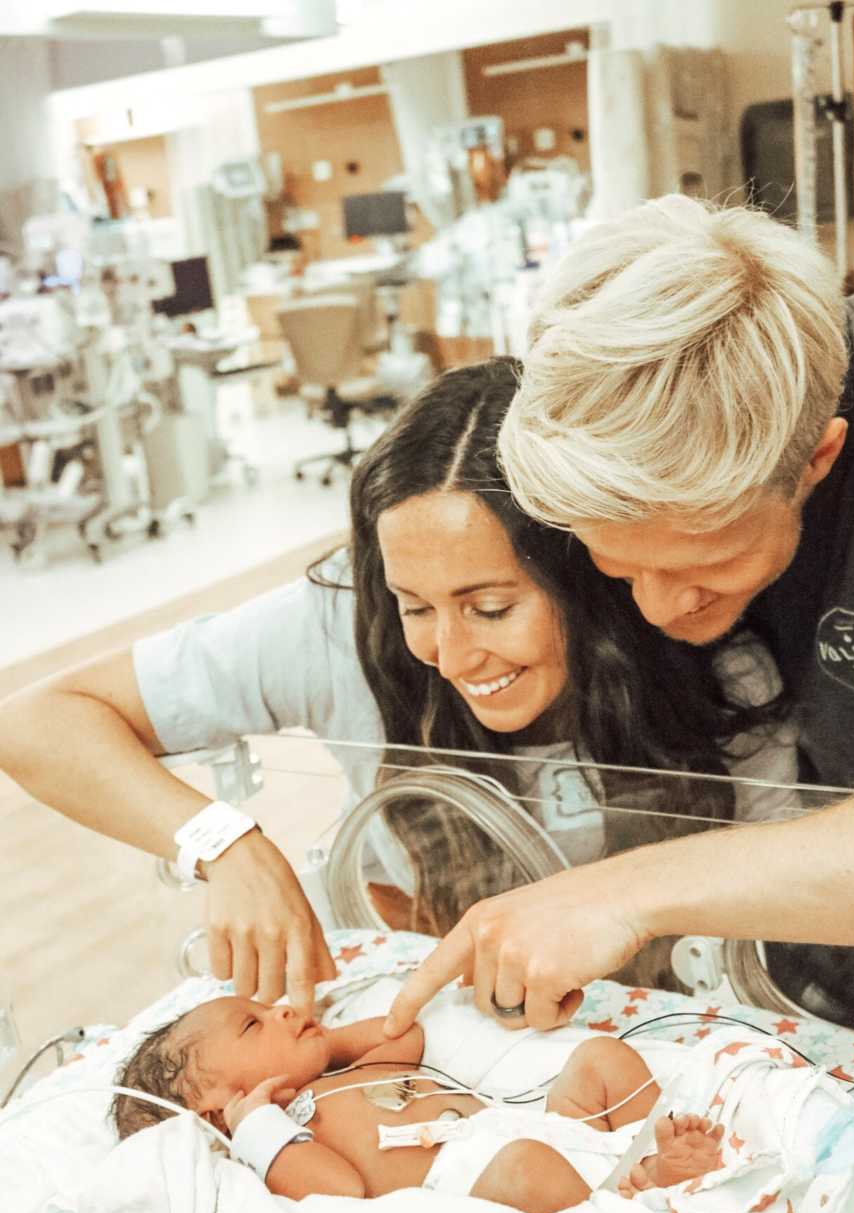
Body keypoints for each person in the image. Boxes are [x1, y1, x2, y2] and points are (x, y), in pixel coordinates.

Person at [0, 359, 793, 1017]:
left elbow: (774, 887)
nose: (451, 654)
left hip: (668, 1023)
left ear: (589, 575)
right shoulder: (338, 622)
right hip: (437, 1014)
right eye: (416, 607)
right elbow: (38, 723)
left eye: (490, 608)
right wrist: (223, 845)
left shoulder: (707, 657)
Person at [383, 195, 854, 1042]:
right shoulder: (633, 418)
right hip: (824, 986)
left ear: (820, 457)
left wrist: (620, 892)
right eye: (620, 570)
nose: (661, 609)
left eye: (708, 566)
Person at [111, 992, 725, 1213]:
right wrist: (258, 1130)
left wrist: (324, 1044)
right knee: (526, 1167)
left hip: (539, 1125)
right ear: (221, 1110)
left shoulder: (349, 1072)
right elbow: (342, 1194)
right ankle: (638, 1206)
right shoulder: (282, 1149)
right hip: (480, 1178)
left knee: (599, 1060)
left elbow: (405, 1035)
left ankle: (650, 1148)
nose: (286, 1010)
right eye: (255, 1026)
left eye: (270, 1006)